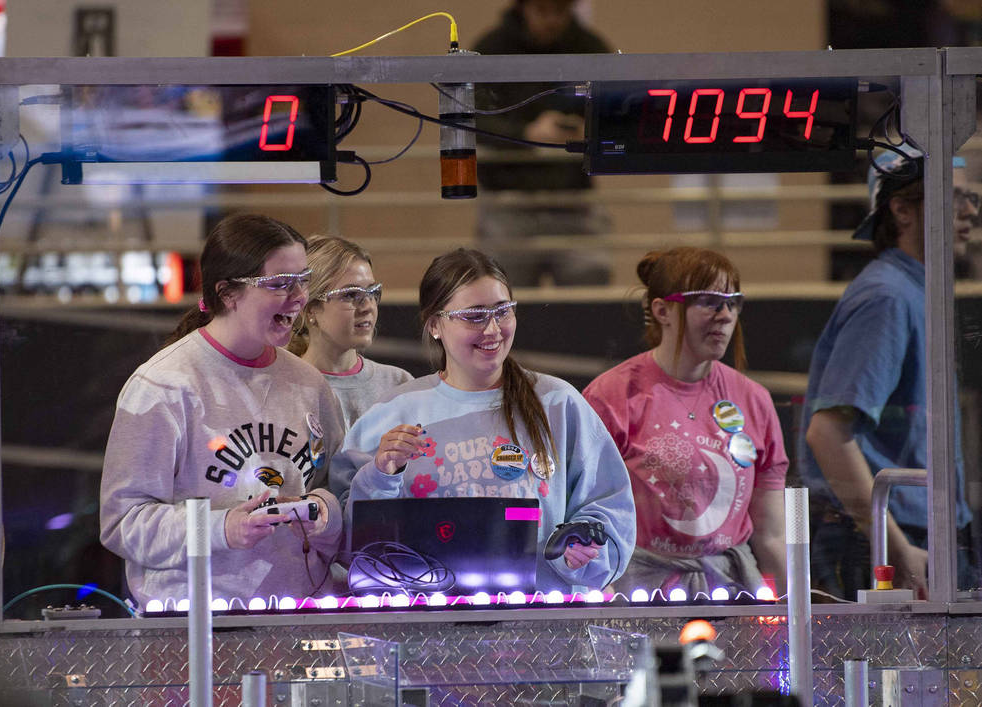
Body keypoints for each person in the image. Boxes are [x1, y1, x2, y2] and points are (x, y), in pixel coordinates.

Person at [329, 248, 635, 592]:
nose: (493, 329)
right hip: (427, 627)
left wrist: (580, 552)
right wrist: (380, 475)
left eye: (502, 312)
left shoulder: (557, 403)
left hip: (541, 624)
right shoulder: (392, 413)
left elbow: (609, 509)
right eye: (474, 316)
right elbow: (347, 542)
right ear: (434, 325)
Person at [100, 213, 346, 608]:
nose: (300, 296)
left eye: (304, 279)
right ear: (228, 293)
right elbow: (123, 523)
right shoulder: (163, 386)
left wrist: (323, 513)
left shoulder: (308, 383)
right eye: (280, 283)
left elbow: (339, 492)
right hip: (195, 631)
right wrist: (221, 528)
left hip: (300, 618)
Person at [800, 149, 980, 600]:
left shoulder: (916, 289)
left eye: (971, 197)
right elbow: (827, 434)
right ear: (900, 209)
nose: (971, 210)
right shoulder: (888, 297)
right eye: (954, 196)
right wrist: (896, 550)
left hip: (918, 533)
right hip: (893, 542)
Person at [583, 247, 788, 597]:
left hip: (731, 586)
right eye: (708, 301)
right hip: (638, 588)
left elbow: (772, 535)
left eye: (732, 302)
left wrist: (798, 618)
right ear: (662, 310)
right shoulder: (611, 396)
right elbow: (586, 522)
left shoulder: (754, 400)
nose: (725, 315)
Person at [472, 0, 611, 286]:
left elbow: (616, 109)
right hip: (509, 201)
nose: (551, 20)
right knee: (505, 296)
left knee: (589, 296)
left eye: (559, 11)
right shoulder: (490, 48)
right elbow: (473, 118)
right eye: (542, 11)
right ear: (523, 8)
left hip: (573, 198)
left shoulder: (590, 46)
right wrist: (527, 133)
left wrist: (590, 130)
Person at [288, 235, 412, 430]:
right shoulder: (284, 387)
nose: (368, 306)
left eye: (372, 292)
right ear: (310, 308)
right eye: (351, 295)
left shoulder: (398, 384)